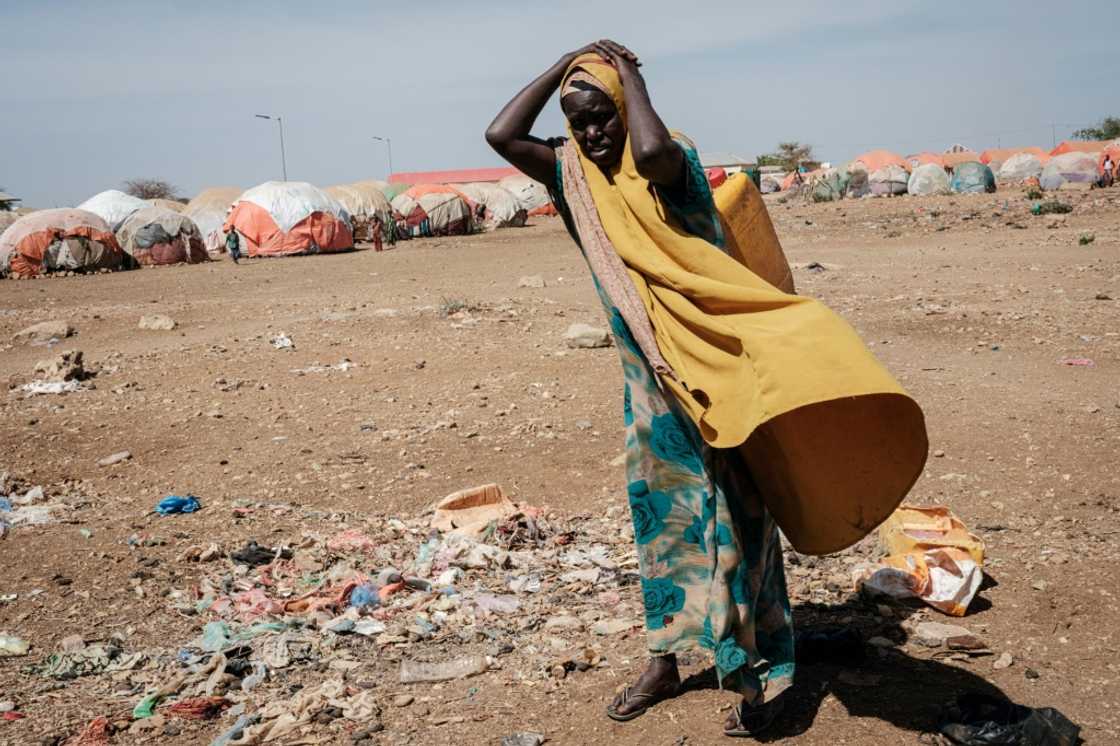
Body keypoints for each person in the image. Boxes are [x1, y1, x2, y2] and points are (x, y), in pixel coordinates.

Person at [486, 41, 925, 739]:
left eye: (603, 117)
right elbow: (500, 135)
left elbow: (653, 151)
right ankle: (666, 656)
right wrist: (568, 61)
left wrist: (628, 77)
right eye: (579, 123)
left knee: (741, 526)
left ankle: (764, 681)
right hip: (651, 395)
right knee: (661, 528)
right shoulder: (575, 180)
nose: (593, 133)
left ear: (627, 109)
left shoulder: (673, 169)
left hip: (718, 384)